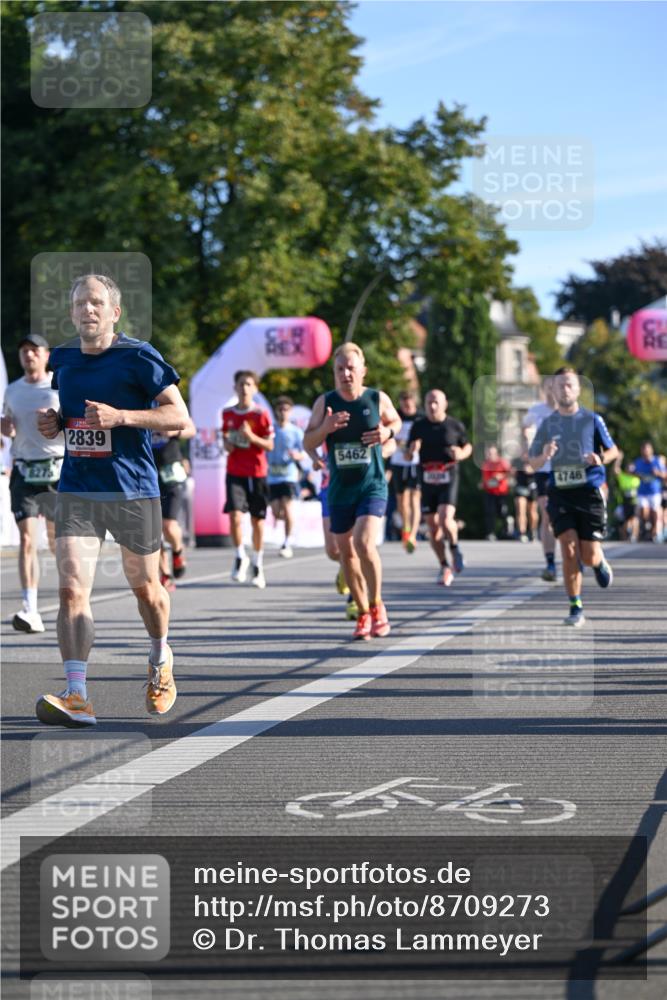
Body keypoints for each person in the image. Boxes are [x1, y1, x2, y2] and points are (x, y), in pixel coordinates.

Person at [35, 274, 190, 727]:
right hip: (79, 487)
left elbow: (178, 416)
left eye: (97, 303)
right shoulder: (62, 358)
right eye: (80, 303)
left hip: (132, 489)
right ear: (71, 312)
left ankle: (161, 657)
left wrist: (121, 416)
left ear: (114, 312)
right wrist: (56, 423)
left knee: (146, 589)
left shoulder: (140, 356)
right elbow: (72, 416)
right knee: (70, 590)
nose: (88, 310)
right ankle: (77, 693)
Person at [304, 342, 401, 640]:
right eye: (339, 369)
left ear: (363, 371)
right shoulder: (325, 402)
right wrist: (327, 428)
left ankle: (377, 605)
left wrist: (387, 433)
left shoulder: (376, 398)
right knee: (345, 553)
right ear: (334, 373)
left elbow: (396, 423)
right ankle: (362, 613)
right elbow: (308, 441)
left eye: (351, 368)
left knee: (363, 543)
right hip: (339, 488)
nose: (345, 374)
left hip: (371, 484)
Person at [529, 366, 618, 627]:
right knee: (568, 548)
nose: (565, 389)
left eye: (569, 385)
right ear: (553, 391)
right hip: (560, 492)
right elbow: (532, 463)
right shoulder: (548, 423)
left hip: (589, 491)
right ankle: (575, 605)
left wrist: (599, 458)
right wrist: (544, 455)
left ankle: (599, 562)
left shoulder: (592, 420)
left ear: (578, 389)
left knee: (588, 555)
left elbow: (614, 451)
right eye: (560, 386)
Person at [1, 333, 64, 633]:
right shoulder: (12, 391)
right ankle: (31, 609)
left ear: (46, 355)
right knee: (27, 540)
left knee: (54, 542)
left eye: (34, 351)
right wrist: (4, 429)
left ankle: (72, 595)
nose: (29, 356)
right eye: (24, 351)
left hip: (55, 471)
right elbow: (7, 428)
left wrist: (57, 420)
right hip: (25, 472)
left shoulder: (59, 386)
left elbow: (73, 424)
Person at [407, 389, 472, 586]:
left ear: (444, 404)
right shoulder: (418, 426)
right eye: (428, 402)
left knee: (445, 519)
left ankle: (454, 547)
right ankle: (444, 565)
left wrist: (460, 454)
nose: (432, 406)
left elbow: (468, 447)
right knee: (433, 529)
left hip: (448, 474)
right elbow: (408, 456)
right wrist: (412, 451)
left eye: (436, 402)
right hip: (427, 477)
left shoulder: (454, 425)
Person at [223, 370, 274, 588]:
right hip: (235, 471)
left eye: (248, 384)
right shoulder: (227, 414)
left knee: (257, 522)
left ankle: (258, 562)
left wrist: (250, 437)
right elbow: (226, 445)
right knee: (235, 516)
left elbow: (270, 445)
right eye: (241, 384)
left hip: (257, 472)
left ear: (255, 389)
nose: (244, 388)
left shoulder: (260, 415)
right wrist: (228, 442)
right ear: (235, 387)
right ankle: (240, 555)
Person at [151, 416, 196, 591]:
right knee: (153, 529)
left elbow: (191, 429)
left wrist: (174, 431)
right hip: (148, 473)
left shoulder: (167, 400)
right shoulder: (136, 402)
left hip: (171, 470)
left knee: (168, 525)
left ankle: (177, 551)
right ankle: (166, 574)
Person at [523, 377, 558, 581]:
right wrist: (527, 445)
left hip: (565, 469)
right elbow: (524, 427)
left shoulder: (568, 412)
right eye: (547, 389)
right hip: (543, 468)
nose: (551, 392)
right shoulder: (536, 411)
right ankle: (550, 562)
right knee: (547, 513)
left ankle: (575, 556)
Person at [267, 396, 305, 558]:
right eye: (280, 409)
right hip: (272, 476)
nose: (283, 413)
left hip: (289, 475)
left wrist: (297, 455)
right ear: (276, 411)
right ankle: (289, 524)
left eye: (286, 410)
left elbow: (305, 452)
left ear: (290, 412)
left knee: (288, 508)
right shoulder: (271, 430)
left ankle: (287, 541)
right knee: (276, 512)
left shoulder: (296, 431)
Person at [389, 389, 422, 553]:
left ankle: (413, 536)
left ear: (414, 402)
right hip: (398, 462)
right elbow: (390, 437)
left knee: (414, 499)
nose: (406, 406)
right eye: (404, 404)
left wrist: (415, 448)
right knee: (402, 501)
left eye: (409, 403)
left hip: (415, 463)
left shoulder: (420, 418)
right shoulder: (396, 417)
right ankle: (406, 529)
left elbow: (423, 439)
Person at [628, 441, 666, 543]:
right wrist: (631, 471)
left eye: (647, 449)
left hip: (655, 491)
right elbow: (632, 472)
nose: (645, 451)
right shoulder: (638, 462)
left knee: (655, 511)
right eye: (643, 449)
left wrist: (658, 473)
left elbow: (665, 475)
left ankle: (655, 532)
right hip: (642, 492)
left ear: (651, 450)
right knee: (644, 511)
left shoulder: (657, 461)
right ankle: (646, 527)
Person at [481, 445, 512, 540]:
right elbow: (485, 478)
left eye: (491, 453)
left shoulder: (502, 462)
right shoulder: (486, 464)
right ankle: (491, 533)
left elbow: (510, 473)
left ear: (496, 453)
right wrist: (484, 484)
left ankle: (507, 531)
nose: (489, 455)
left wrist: (500, 476)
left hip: (501, 492)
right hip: (490, 492)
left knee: (502, 512)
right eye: (488, 453)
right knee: (490, 512)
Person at [612, 452, 640, 543]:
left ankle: (634, 537)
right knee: (626, 521)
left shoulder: (637, 479)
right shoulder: (623, 477)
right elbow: (616, 470)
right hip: (625, 503)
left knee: (635, 518)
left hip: (634, 502)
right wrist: (618, 459)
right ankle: (625, 538)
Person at [511, 454, 539, 542]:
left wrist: (532, 469)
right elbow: (511, 473)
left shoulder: (536, 457)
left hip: (532, 486)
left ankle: (533, 531)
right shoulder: (517, 460)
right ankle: (522, 533)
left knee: (532, 511)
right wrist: (512, 471)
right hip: (520, 486)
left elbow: (541, 470)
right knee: (520, 509)